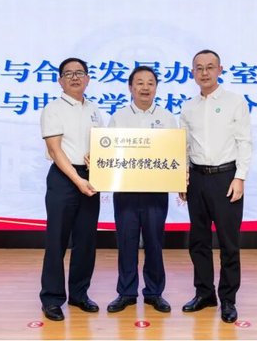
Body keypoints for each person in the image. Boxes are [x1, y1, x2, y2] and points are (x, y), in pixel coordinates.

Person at [179, 49, 252, 323]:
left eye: (210, 67)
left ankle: (228, 299)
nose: (205, 72)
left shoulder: (235, 102)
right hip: (197, 178)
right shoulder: (188, 107)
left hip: (226, 177)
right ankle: (204, 294)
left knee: (228, 243)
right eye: (199, 68)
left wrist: (240, 177)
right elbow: (184, 147)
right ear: (192, 73)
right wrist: (182, 178)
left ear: (220, 70)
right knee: (198, 241)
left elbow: (245, 142)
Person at [106, 66, 177, 314]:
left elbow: (176, 152)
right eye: (139, 83)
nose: (145, 87)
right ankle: (126, 293)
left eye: (150, 83)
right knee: (126, 242)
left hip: (156, 191)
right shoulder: (119, 117)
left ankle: (154, 293)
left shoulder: (167, 118)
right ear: (130, 87)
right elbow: (109, 152)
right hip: (125, 190)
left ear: (156, 88)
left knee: (154, 243)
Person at [39, 57, 103, 321]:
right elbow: (55, 150)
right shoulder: (53, 109)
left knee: (86, 241)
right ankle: (52, 299)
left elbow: (101, 145)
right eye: (68, 73)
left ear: (87, 78)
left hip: (90, 177)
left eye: (79, 73)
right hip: (64, 179)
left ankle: (79, 294)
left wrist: (96, 157)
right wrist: (77, 179)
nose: (75, 77)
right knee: (57, 241)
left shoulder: (95, 110)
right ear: (60, 80)